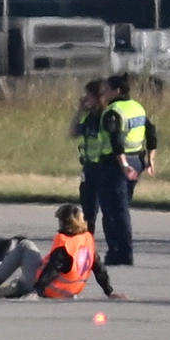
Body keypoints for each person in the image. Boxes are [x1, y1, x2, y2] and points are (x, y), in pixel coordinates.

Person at [0, 204, 127, 301]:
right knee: (27, 276)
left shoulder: (65, 243)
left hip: (50, 290)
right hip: (70, 291)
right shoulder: (87, 240)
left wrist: (36, 291)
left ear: (63, 221)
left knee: (25, 245)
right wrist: (109, 291)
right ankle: (18, 286)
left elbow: (53, 269)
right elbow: (99, 268)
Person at [97, 74, 159, 266]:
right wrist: (151, 159)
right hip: (137, 160)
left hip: (116, 164)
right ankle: (120, 251)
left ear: (117, 91)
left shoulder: (113, 111)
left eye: (107, 89)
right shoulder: (137, 107)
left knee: (114, 210)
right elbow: (151, 132)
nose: (104, 92)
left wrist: (123, 165)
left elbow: (116, 140)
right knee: (121, 206)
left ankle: (121, 252)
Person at [70, 80, 108, 235]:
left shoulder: (107, 116)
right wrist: (80, 110)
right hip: (89, 167)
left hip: (104, 167)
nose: (85, 98)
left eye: (88, 95)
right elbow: (73, 132)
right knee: (88, 211)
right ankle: (88, 241)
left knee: (108, 210)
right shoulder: (88, 116)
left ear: (98, 97)